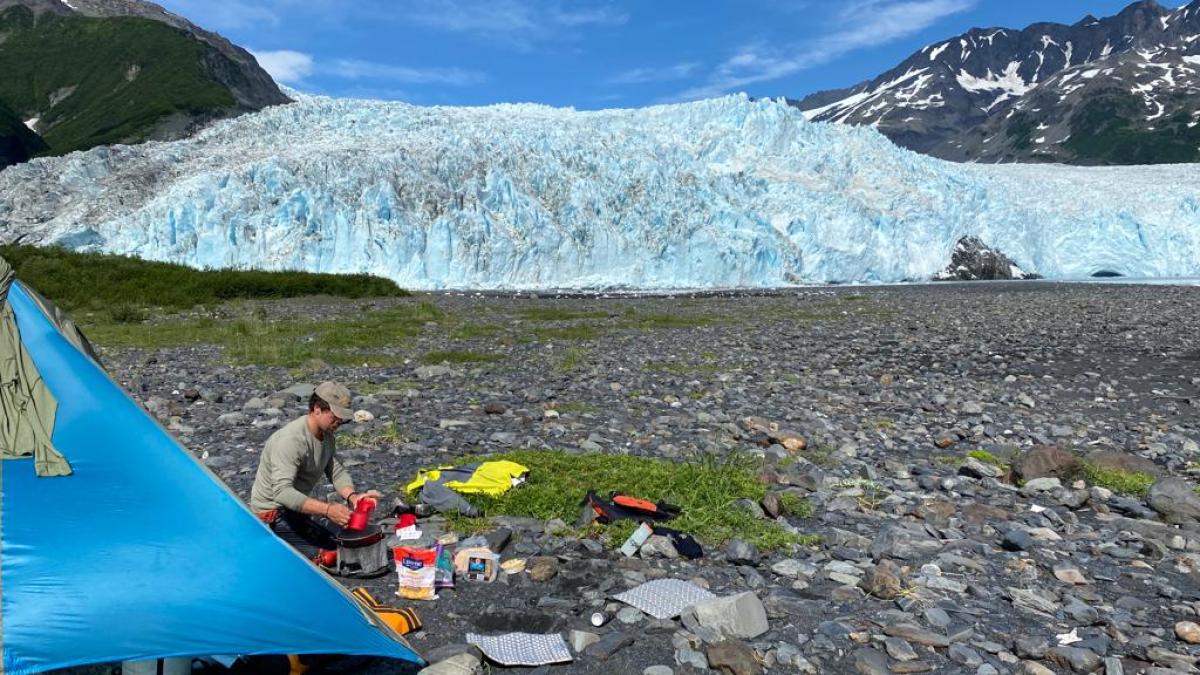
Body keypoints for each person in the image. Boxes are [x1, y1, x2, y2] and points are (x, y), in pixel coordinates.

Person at [249, 381, 381, 563]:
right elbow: (282, 493)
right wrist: (327, 510)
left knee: (348, 540)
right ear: (317, 408)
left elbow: (335, 470)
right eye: (335, 416)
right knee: (330, 557)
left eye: (341, 417)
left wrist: (352, 497)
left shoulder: (326, 433)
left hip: (295, 510)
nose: (339, 422)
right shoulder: (291, 441)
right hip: (272, 515)